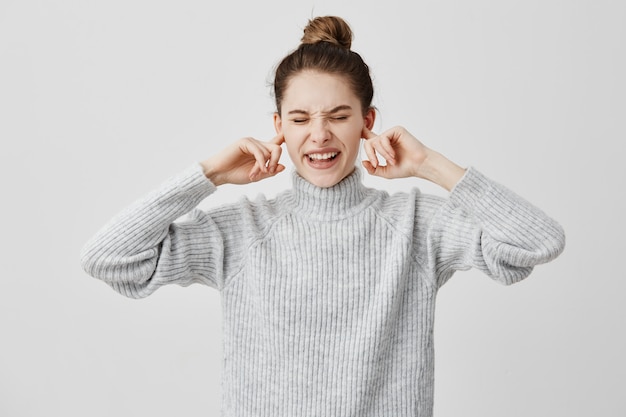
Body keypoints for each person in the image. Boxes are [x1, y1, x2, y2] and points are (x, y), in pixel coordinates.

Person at [81, 16, 565, 417]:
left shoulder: (416, 224)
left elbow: (538, 241)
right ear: (278, 127)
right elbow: (110, 259)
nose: (319, 136)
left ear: (366, 122)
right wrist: (207, 175)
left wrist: (428, 166)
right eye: (299, 119)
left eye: (338, 115)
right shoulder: (243, 230)